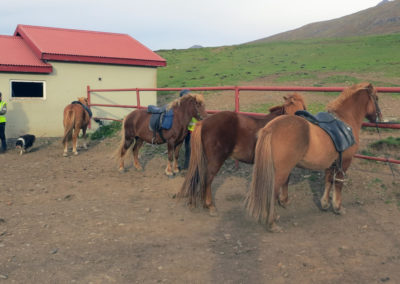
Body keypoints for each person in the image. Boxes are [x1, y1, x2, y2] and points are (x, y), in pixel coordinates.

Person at [179, 89, 198, 169]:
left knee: (189, 145)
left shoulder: (192, 107)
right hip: (184, 129)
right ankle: (187, 165)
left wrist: (191, 131)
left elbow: (194, 119)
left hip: (190, 129)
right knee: (186, 146)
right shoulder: (180, 107)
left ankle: (190, 165)